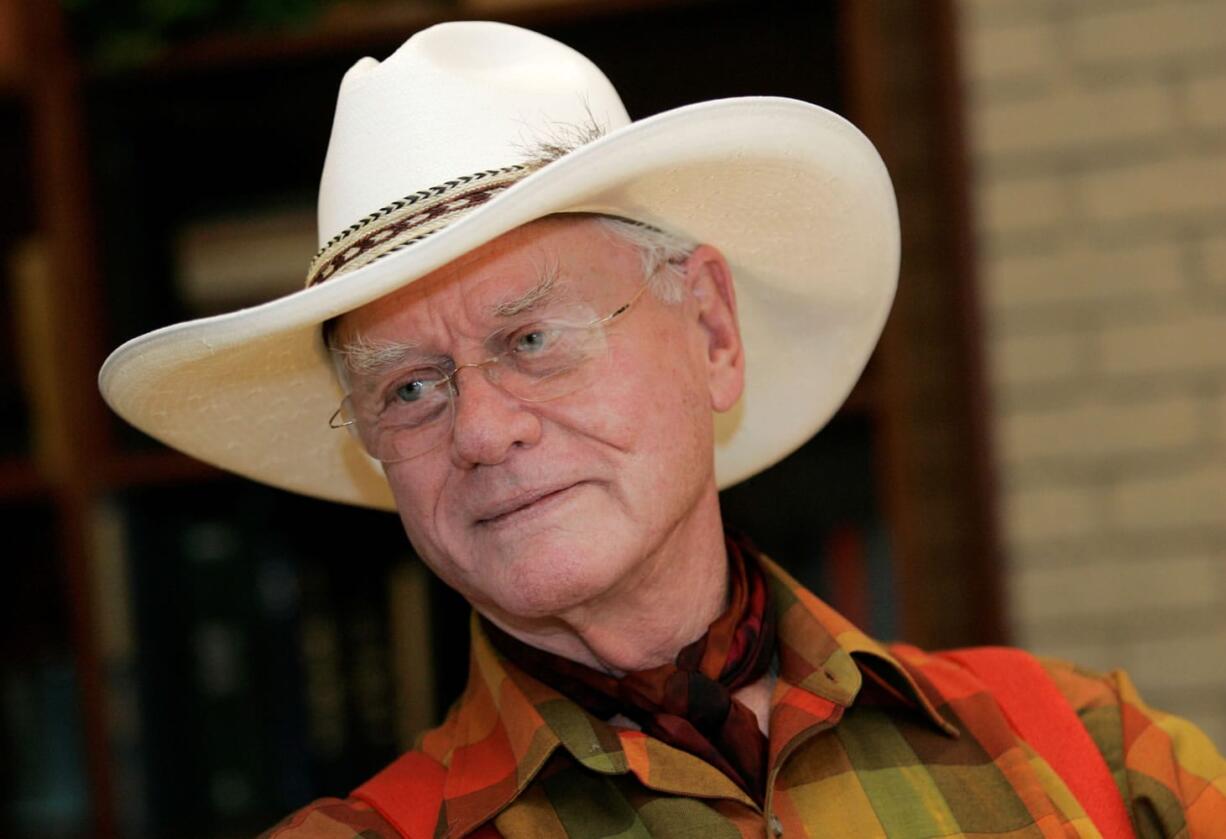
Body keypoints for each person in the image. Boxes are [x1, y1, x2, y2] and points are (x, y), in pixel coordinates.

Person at [100, 21, 1225, 839]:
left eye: (533, 337)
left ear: (712, 332)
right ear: (374, 451)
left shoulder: (1098, 758)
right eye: (409, 389)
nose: (484, 428)